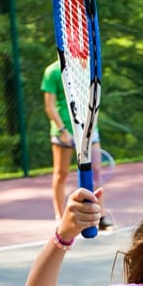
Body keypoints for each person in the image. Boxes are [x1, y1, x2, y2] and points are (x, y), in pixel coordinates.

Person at [41, 59, 109, 228]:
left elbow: (93, 99)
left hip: (89, 129)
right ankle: (59, 216)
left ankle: (100, 217)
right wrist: (63, 130)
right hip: (64, 130)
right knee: (61, 173)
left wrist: (91, 125)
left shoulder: (86, 68)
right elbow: (50, 107)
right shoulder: (53, 71)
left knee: (96, 172)